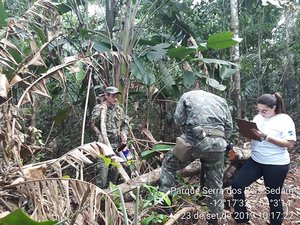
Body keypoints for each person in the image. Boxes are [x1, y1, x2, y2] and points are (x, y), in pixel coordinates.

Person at [159, 89, 233, 225]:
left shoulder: (186, 96)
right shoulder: (221, 101)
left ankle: (164, 207)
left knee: (169, 165)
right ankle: (215, 220)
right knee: (215, 184)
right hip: (218, 145)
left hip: (195, 142)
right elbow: (228, 129)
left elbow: (179, 120)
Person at [231, 93, 296, 225]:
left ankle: (276, 222)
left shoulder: (284, 120)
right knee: (237, 185)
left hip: (276, 164)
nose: (261, 113)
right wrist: (247, 134)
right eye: (259, 110)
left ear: (274, 107)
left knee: (273, 197)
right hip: (256, 160)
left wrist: (266, 136)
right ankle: (241, 216)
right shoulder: (258, 118)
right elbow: (250, 138)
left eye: (264, 110)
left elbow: (289, 144)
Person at [90, 86, 129, 188]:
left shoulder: (119, 109)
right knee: (102, 175)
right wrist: (102, 112)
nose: (115, 99)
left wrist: (124, 133)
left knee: (115, 174)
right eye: (112, 96)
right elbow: (92, 124)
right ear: (106, 96)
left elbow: (125, 124)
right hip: (103, 147)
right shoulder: (99, 108)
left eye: (116, 96)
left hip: (117, 146)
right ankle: (100, 198)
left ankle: (111, 198)